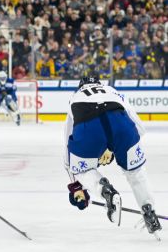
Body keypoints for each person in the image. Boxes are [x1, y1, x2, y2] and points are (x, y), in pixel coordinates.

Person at [64, 75, 162, 238]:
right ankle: (149, 213)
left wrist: (76, 186)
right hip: (120, 124)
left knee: (82, 170)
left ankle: (105, 189)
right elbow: (140, 127)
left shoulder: (75, 97)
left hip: (89, 127)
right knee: (135, 172)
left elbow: (68, 145)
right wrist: (113, 146)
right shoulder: (112, 91)